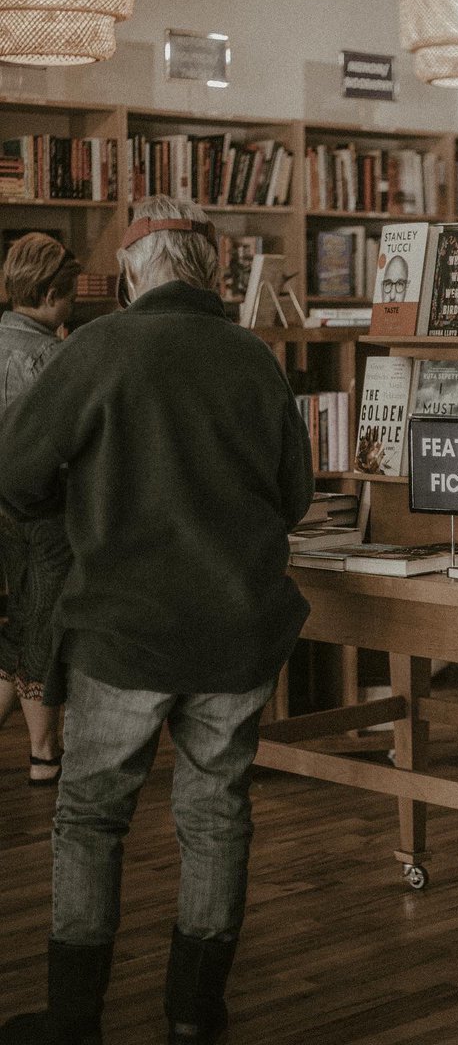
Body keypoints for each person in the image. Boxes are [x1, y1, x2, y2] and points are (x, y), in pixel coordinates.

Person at [0, 196, 314, 1045]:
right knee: (216, 815)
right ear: (212, 271)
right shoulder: (255, 357)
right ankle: (193, 1014)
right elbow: (294, 498)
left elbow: (17, 473)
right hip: (238, 628)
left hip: (123, 628)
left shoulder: (99, 347)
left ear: (135, 272)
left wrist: (85, 508)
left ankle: (74, 1021)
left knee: (92, 817)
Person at [0, 234, 80, 786]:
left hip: (5, 507)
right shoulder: (52, 357)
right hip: (49, 509)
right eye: (70, 294)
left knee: (22, 619)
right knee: (46, 626)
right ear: (53, 292)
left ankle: (41, 749)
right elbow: (72, 442)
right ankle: (44, 752)